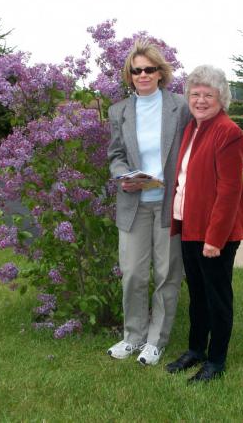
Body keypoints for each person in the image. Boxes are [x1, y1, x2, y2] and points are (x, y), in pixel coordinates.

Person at [107, 40, 191, 365]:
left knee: (167, 274)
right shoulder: (119, 112)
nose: (143, 75)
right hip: (134, 204)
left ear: (160, 72)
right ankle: (132, 337)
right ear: (129, 75)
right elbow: (115, 155)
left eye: (149, 69)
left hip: (168, 204)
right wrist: (122, 176)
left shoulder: (179, 106)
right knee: (132, 274)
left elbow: (194, 146)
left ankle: (156, 341)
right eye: (136, 70)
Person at [166, 65, 243, 383]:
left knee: (217, 296)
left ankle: (216, 360)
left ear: (221, 98)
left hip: (216, 233)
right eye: (195, 94)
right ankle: (195, 350)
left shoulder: (229, 132)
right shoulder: (193, 128)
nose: (200, 100)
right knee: (198, 294)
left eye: (208, 95)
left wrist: (214, 239)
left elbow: (230, 192)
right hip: (190, 225)